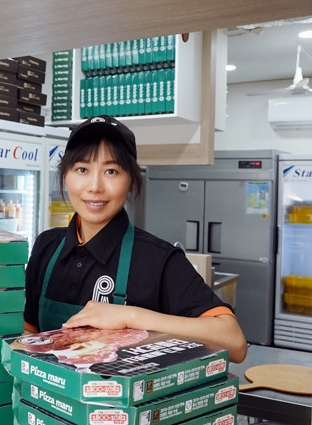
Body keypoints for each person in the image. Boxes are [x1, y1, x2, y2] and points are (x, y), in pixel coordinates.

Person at [24, 115, 248, 363]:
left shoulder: (159, 259)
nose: (95, 186)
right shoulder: (47, 246)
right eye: (82, 169)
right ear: (65, 175)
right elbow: (29, 335)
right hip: (45, 397)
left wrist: (131, 317)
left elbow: (235, 343)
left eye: (111, 171)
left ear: (131, 181)